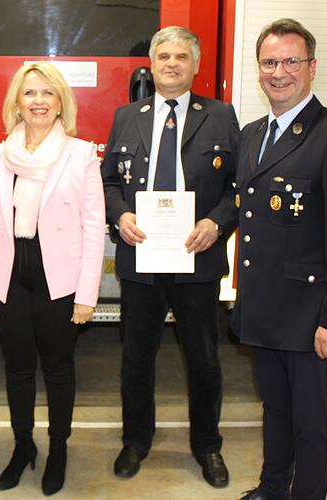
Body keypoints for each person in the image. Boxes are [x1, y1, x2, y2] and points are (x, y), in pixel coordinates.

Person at [233, 19, 327, 500]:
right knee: (275, 409)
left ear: (312, 67)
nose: (279, 72)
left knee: (311, 420)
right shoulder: (253, 134)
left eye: (291, 61)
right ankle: (273, 488)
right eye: (270, 62)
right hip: (265, 307)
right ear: (259, 70)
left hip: (310, 315)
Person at [101, 26, 239, 487]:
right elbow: (108, 182)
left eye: (181, 56)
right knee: (136, 357)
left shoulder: (220, 115)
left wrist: (216, 223)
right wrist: (120, 215)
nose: (172, 64)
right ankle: (136, 440)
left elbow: (240, 186)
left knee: (204, 359)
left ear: (195, 65)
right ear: (152, 64)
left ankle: (208, 445)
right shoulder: (126, 116)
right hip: (142, 258)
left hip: (197, 259)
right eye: (164, 56)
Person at [0, 62, 105, 496]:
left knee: (59, 368)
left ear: (61, 102)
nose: (39, 101)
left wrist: (87, 295)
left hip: (58, 280)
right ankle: (23, 446)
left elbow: (93, 227)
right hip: (11, 276)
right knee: (17, 367)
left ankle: (58, 448)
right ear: (17, 102)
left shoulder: (81, 155)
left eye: (48, 92)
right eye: (30, 93)